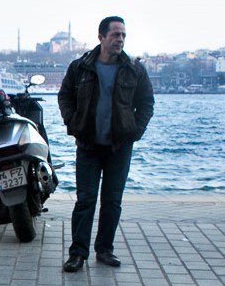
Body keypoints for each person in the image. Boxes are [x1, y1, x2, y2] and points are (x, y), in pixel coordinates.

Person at [58, 16, 154, 272]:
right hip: (88, 144)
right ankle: (78, 253)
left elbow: (146, 102)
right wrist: (72, 121)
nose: (120, 39)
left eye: (123, 35)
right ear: (101, 37)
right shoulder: (81, 67)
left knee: (112, 200)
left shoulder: (134, 69)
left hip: (119, 146)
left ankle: (105, 250)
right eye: (115, 35)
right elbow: (65, 95)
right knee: (85, 200)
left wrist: (136, 130)